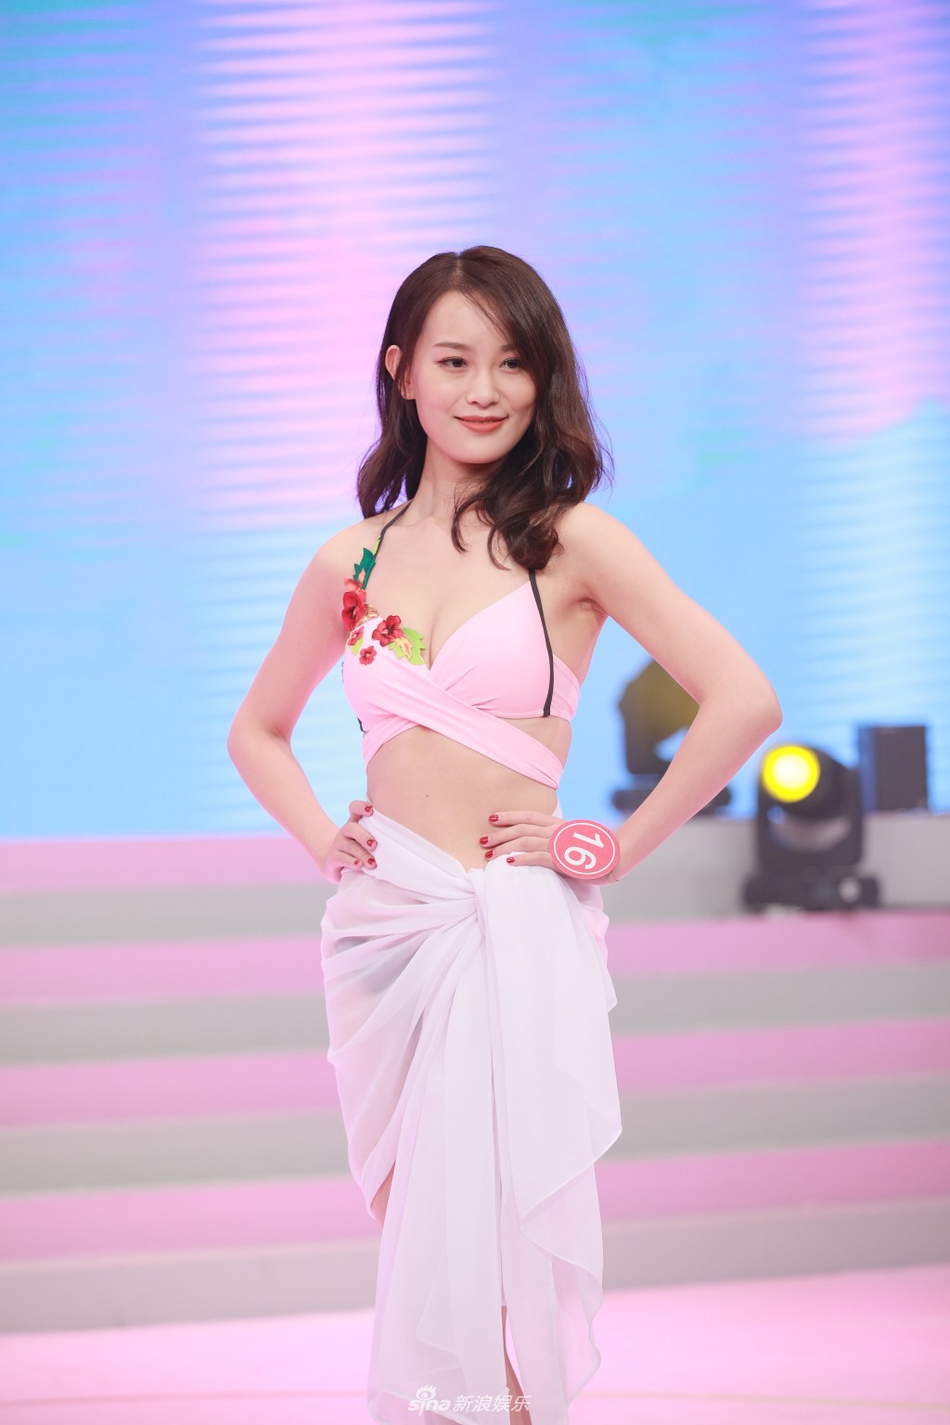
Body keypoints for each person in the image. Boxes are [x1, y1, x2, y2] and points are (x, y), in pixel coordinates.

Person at [226, 245, 782, 1425]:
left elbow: (742, 700)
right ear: (401, 372)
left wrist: (613, 846)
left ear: (544, 378)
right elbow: (257, 731)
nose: (484, 389)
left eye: (512, 362)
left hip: (504, 918)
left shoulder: (572, 542)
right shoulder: (349, 559)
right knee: (420, 1240)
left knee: (495, 1236)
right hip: (383, 926)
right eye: (454, 360)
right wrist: (326, 838)